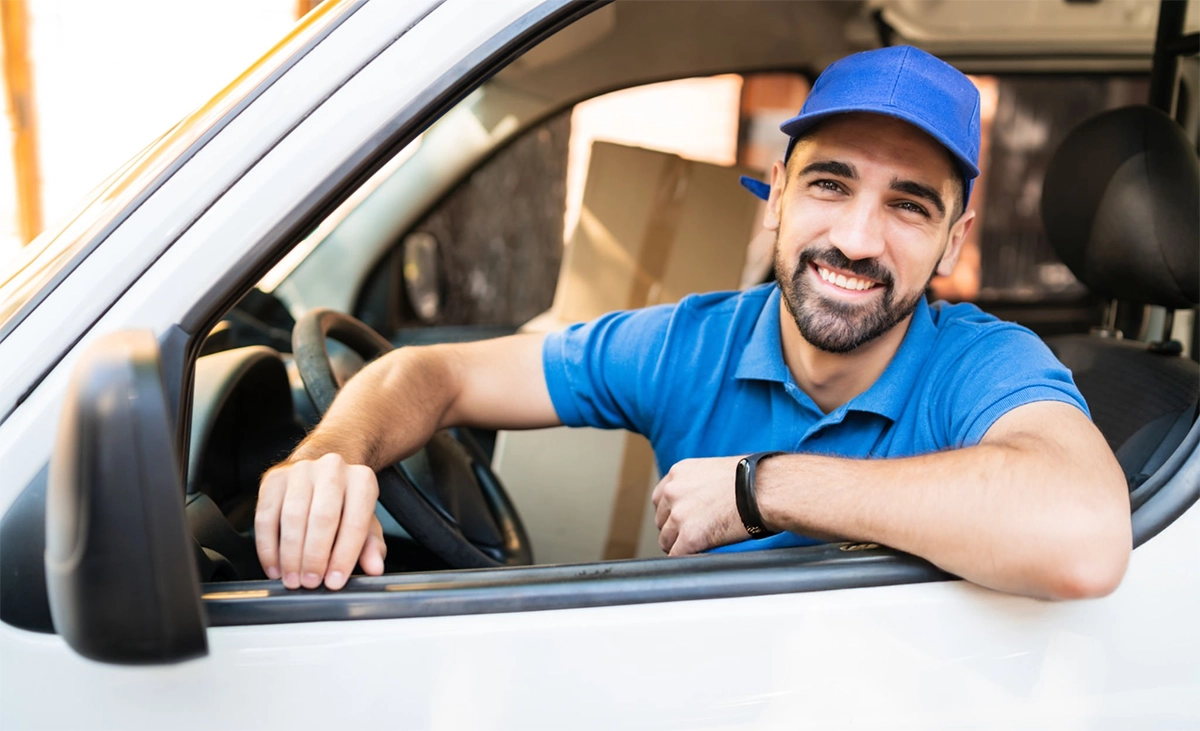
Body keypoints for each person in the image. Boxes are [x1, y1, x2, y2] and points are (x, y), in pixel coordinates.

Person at [254, 46, 1130, 600]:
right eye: (830, 184)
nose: (857, 240)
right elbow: (433, 374)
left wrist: (760, 487)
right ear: (777, 195)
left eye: (908, 206)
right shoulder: (690, 344)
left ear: (953, 240)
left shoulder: (980, 363)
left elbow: (1084, 536)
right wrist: (331, 457)